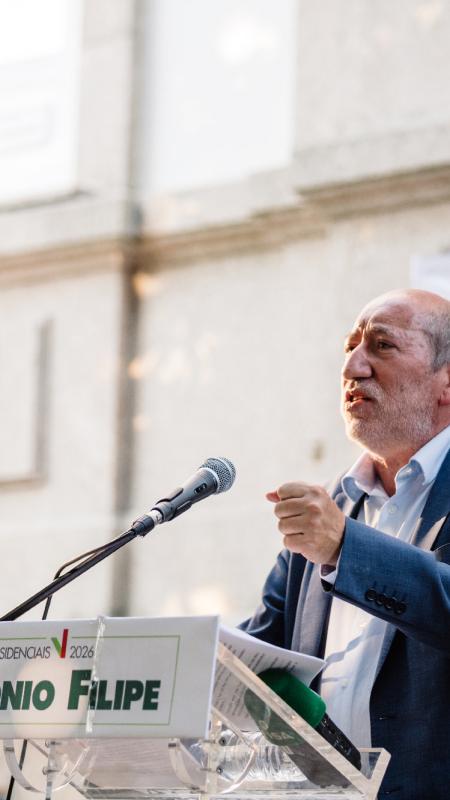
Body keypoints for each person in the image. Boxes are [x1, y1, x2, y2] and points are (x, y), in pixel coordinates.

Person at [242, 288, 450, 800]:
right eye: (350, 347)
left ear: (446, 381)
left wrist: (345, 549)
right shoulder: (335, 503)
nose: (353, 366)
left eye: (382, 345)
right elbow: (257, 653)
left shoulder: (333, 528)